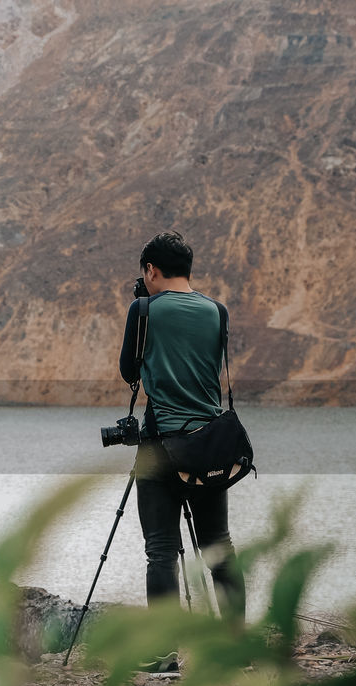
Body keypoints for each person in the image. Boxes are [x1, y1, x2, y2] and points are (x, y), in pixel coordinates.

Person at [118, 231, 245, 645]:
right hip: (209, 445)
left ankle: (164, 656)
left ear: (151, 270)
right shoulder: (218, 311)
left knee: (160, 551)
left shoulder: (144, 310)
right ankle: (235, 646)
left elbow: (129, 372)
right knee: (218, 546)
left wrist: (143, 312)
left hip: (160, 446)